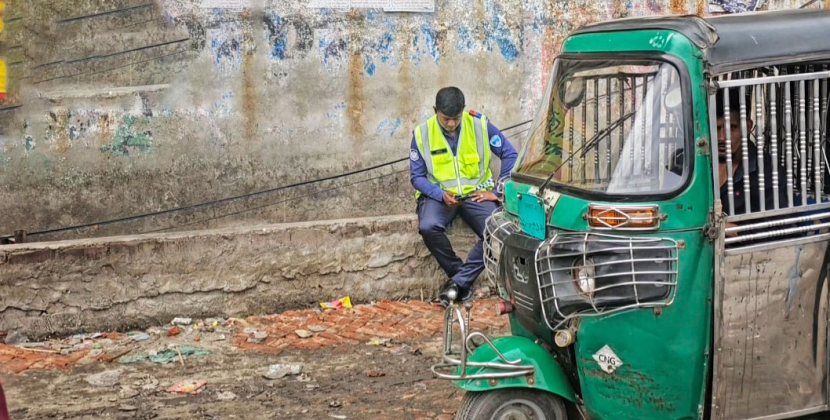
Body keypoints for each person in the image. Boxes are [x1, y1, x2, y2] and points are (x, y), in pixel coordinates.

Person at [410, 87, 518, 306]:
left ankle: (457, 284)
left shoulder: (480, 125)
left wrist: (497, 191)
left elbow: (510, 154)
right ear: (435, 111)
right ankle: (461, 277)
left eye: (456, 118)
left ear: (463, 111)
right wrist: (439, 194)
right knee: (428, 226)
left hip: (475, 195)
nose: (451, 123)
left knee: (497, 228)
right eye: (446, 119)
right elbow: (417, 177)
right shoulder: (422, 133)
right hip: (440, 197)